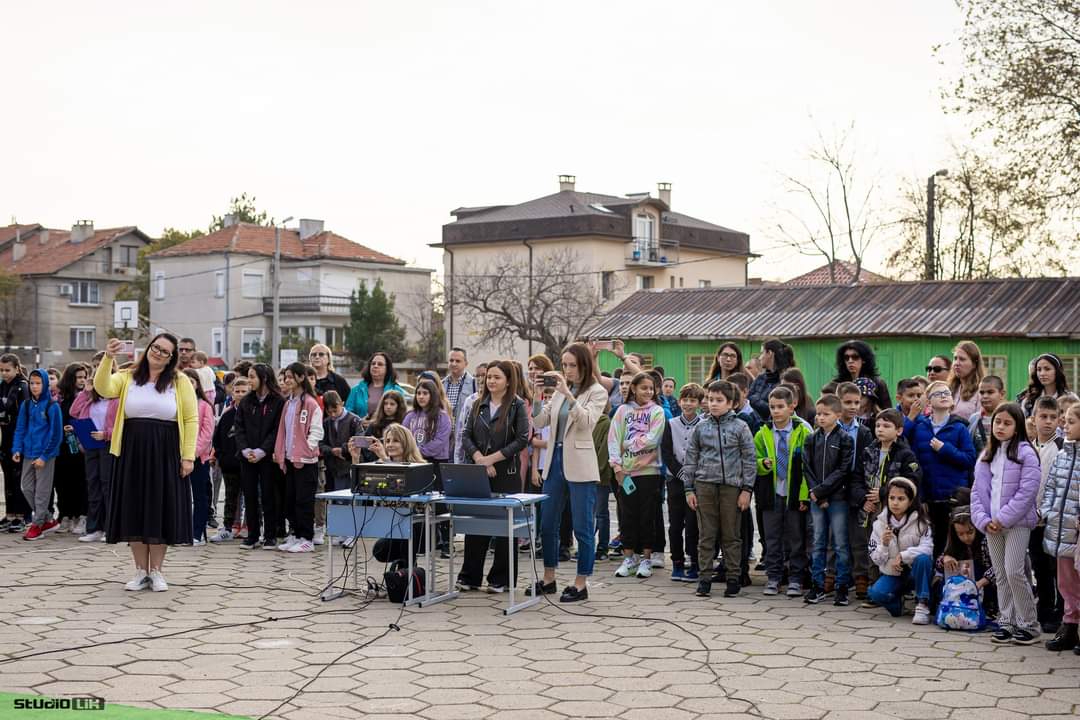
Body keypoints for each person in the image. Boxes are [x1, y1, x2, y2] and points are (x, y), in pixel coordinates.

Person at [94, 334, 198, 592]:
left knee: (160, 509)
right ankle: (141, 571)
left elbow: (191, 419)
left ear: (172, 357)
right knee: (135, 509)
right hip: (131, 452)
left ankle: (157, 571)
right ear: (149, 348)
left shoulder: (180, 381)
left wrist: (188, 456)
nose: (158, 353)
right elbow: (103, 388)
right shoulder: (128, 376)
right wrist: (108, 358)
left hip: (166, 451)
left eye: (165, 351)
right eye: (156, 347)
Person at [528, 343, 609, 602]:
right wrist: (537, 396)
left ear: (584, 365)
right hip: (555, 461)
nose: (567, 370)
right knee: (547, 523)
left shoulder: (597, 391)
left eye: (572, 365)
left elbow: (586, 422)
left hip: (580, 464)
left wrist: (568, 394)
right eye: (564, 365)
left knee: (582, 527)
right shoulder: (559, 392)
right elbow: (539, 421)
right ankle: (548, 578)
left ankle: (581, 583)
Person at [971, 402, 1042, 645]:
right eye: (997, 422)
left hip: (1017, 524)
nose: (1000, 427)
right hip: (991, 526)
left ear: (1017, 426)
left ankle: (1029, 625)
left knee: (1014, 572)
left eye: (1007, 423)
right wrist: (984, 521)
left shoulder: (1026, 453)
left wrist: (1003, 518)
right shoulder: (987, 454)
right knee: (1001, 574)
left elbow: (1027, 491)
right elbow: (977, 493)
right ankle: (1007, 622)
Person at [458, 360, 529, 593]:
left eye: (497, 377)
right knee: (475, 524)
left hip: (506, 473)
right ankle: (470, 576)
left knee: (505, 528)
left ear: (508, 381)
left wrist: (493, 459)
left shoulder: (517, 405)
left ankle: (501, 578)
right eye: (489, 377)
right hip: (479, 471)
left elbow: (522, 439)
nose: (491, 381)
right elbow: (466, 435)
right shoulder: (478, 404)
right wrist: (480, 458)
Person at [682, 380, 755, 598]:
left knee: (731, 535)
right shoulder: (700, 427)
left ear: (731, 403)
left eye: (719, 400)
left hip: (732, 488)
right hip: (704, 486)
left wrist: (747, 489)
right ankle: (704, 579)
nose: (713, 404)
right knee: (706, 535)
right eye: (710, 399)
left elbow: (749, 460)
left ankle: (733, 578)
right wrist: (689, 489)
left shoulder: (741, 427)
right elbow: (691, 458)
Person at [904, 380, 978, 557]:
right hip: (929, 498)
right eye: (938, 394)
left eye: (947, 393)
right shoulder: (920, 427)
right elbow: (903, 445)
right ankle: (936, 574)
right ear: (928, 401)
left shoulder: (960, 427)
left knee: (956, 544)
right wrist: (920, 496)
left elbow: (970, 459)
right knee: (934, 543)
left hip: (954, 498)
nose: (944, 396)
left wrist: (945, 449)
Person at [754, 386, 813, 597]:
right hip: (771, 493)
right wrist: (763, 464)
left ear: (791, 407)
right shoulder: (762, 433)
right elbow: (754, 459)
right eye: (772, 407)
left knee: (796, 538)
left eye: (780, 407)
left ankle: (796, 578)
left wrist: (804, 496)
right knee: (772, 538)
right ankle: (774, 577)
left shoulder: (803, 431)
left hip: (794, 493)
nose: (776, 411)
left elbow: (809, 467)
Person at [608, 371, 666, 580]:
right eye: (644, 388)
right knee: (627, 516)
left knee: (647, 517)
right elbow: (613, 439)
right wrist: (617, 467)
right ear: (634, 388)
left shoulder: (657, 411)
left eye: (651, 388)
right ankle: (629, 558)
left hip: (650, 472)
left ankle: (646, 559)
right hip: (626, 473)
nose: (648, 392)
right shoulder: (623, 410)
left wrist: (628, 444)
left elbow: (653, 439)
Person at [802, 389, 856, 606]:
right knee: (818, 542)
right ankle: (817, 585)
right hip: (817, 498)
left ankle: (842, 586)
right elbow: (807, 468)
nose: (821, 418)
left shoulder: (845, 439)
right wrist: (815, 493)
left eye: (826, 414)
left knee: (840, 543)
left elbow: (843, 470)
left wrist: (822, 491)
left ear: (837, 415)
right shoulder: (811, 439)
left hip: (838, 498)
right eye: (818, 414)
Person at [1040, 404, 1080, 652]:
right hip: (1060, 529)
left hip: (1077, 531)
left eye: (1071, 421)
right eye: (1064, 421)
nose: (1065, 426)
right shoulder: (1062, 455)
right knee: (1065, 582)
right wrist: (1045, 512)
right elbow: (1051, 488)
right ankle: (1070, 627)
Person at [867, 477, 934, 624]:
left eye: (901, 498)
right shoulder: (879, 524)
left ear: (910, 501)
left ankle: (922, 604)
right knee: (875, 593)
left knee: (923, 559)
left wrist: (903, 556)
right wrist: (884, 545)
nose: (895, 503)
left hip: (914, 572)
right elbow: (876, 560)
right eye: (892, 498)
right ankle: (898, 605)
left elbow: (928, 548)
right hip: (893, 574)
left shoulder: (921, 522)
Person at [273, 362, 324, 554]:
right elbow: (283, 430)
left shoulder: (310, 403)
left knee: (304, 500)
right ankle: (295, 534)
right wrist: (280, 452)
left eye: (290, 377)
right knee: (290, 500)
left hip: (306, 461)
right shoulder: (288, 403)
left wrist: (307, 448)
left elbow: (316, 431)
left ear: (301, 378)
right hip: (289, 459)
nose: (286, 380)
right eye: (285, 377)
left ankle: (307, 538)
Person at [234, 363, 285, 550]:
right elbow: (238, 427)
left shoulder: (278, 401)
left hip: (267, 458)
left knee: (269, 495)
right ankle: (253, 535)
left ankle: (270, 535)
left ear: (264, 378)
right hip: (247, 457)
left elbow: (277, 430)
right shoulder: (246, 401)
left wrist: (262, 451)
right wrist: (245, 449)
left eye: (252, 377)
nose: (249, 381)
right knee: (250, 495)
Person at [12, 369, 63, 540]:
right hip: (28, 453)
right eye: (32, 383)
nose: (34, 386)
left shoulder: (52, 406)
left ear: (45, 384)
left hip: (45, 455)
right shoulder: (26, 405)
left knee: (42, 491)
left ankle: (37, 525)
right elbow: (20, 428)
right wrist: (17, 449)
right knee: (26, 487)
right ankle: (48, 519)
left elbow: (56, 435)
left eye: (38, 383)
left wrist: (44, 456)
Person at [859, 409, 921, 548]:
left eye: (886, 426)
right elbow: (856, 478)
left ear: (899, 431)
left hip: (893, 507)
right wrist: (863, 498)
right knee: (871, 546)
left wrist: (883, 492)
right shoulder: (868, 451)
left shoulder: (906, 454)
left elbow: (912, 480)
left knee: (892, 545)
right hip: (869, 507)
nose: (880, 429)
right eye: (878, 425)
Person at [662, 383, 704, 583]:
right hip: (675, 480)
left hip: (696, 481)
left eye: (692, 400)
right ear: (679, 401)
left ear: (699, 403)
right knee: (675, 524)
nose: (688, 404)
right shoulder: (671, 424)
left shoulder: (704, 424)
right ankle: (677, 562)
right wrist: (681, 473)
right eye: (685, 399)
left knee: (694, 524)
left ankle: (694, 561)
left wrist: (692, 475)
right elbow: (666, 452)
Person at [69, 372, 118, 542]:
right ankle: (94, 528)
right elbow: (73, 411)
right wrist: (86, 391)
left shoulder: (116, 401)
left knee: (107, 485)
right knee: (93, 485)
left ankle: (109, 528)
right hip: (91, 446)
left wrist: (106, 434)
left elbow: (122, 425)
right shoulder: (90, 400)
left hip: (107, 445)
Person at [1030, 396, 1065, 633]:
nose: (1048, 422)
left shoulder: (1062, 447)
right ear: (1034, 418)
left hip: (1055, 521)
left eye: (1053, 417)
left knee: (1058, 569)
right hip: (1032, 520)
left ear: (1060, 419)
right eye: (1043, 416)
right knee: (1039, 567)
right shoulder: (1027, 447)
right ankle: (1044, 611)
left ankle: (1061, 613)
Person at [935, 495, 997, 620]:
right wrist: (945, 559)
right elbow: (938, 565)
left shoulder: (986, 541)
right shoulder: (954, 544)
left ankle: (989, 608)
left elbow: (998, 567)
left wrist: (980, 583)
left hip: (984, 585)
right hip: (959, 588)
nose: (966, 537)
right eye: (960, 534)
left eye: (970, 532)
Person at [209, 377, 249, 543]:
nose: (240, 394)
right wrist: (221, 456)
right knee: (230, 498)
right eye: (237, 391)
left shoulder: (253, 413)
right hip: (230, 464)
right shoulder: (227, 415)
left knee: (252, 498)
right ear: (232, 393)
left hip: (249, 464)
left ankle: (250, 527)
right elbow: (217, 438)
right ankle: (227, 528)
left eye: (243, 391)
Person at [181, 369, 216, 546]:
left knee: (199, 496)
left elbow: (207, 433)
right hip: (178, 457)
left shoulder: (204, 405)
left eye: (192, 381)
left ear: (197, 384)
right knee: (181, 497)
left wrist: (192, 453)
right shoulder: (175, 403)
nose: (188, 385)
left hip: (198, 458)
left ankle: (197, 533)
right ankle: (182, 531)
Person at [55, 363, 89, 535]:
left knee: (80, 481)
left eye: (84, 377)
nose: (82, 380)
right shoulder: (61, 398)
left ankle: (80, 515)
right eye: (79, 377)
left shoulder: (87, 397)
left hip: (81, 445)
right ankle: (65, 515)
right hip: (63, 445)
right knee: (63, 482)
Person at [0, 354, 31, 533]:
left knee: (18, 477)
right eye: (1, 370)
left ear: (17, 369)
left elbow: (23, 414)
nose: (4, 373)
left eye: (7, 370)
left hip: (18, 437)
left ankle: (22, 515)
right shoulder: (2, 386)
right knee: (8, 477)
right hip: (5, 436)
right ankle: (10, 514)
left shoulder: (22, 387)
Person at [344, 352, 405, 423]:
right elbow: (348, 415)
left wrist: (376, 423)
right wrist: (359, 422)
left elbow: (401, 416)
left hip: (387, 429)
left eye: (380, 364)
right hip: (360, 429)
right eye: (373, 363)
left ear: (387, 368)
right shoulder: (356, 390)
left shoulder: (397, 391)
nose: (375, 366)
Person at [402, 379, 452, 465]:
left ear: (433, 395)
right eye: (418, 393)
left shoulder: (442, 417)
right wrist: (412, 452)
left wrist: (417, 451)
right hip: (413, 460)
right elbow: (403, 437)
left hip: (436, 461)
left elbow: (440, 441)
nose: (421, 396)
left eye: (425, 393)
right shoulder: (410, 416)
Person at [834, 340, 891, 413]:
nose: (850, 361)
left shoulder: (877, 383)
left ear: (864, 359)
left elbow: (888, 412)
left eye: (855, 357)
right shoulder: (837, 384)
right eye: (846, 357)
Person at [747, 339, 794, 423]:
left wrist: (755, 400)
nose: (759, 358)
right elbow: (748, 399)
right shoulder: (760, 378)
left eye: (762, 353)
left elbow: (776, 409)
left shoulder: (786, 380)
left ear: (770, 353)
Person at [443, 347, 477, 445]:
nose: (454, 364)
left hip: (465, 438)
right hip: (444, 438)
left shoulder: (474, 384)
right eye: (451, 360)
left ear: (466, 363)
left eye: (458, 361)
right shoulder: (441, 384)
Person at [1022, 353, 1070, 417]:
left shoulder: (1070, 398)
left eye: (1047, 369)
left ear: (1057, 371)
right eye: (1039, 369)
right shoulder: (1029, 400)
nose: (1042, 373)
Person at [969, 375, 1006, 456]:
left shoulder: (1010, 418)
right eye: (981, 393)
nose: (985, 396)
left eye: (990, 392)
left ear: (1002, 394)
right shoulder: (973, 419)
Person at [949, 341, 985, 420]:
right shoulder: (950, 388)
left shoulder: (981, 391)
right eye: (955, 358)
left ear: (974, 364)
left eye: (962, 359)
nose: (956, 363)